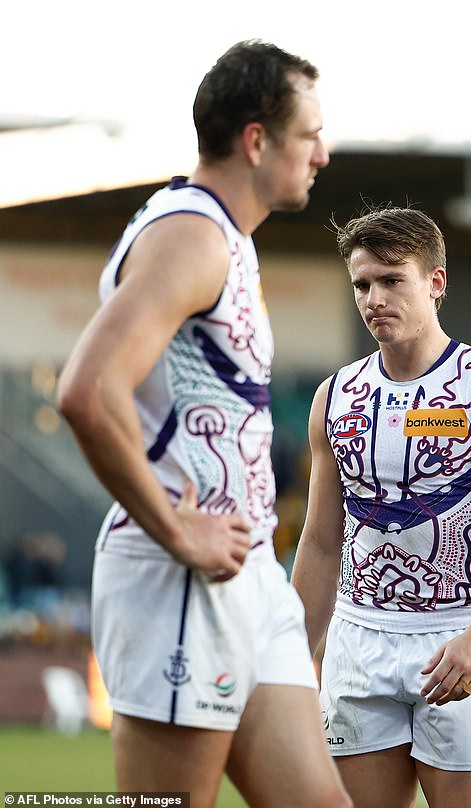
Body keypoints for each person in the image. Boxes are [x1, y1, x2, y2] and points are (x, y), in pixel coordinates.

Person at [57, 39, 351, 808]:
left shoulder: (224, 236)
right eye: (309, 133)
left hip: (245, 576)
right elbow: (87, 391)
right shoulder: (192, 237)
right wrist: (177, 530)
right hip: (180, 575)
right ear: (257, 139)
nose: (323, 152)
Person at [291, 205, 471, 808]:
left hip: (457, 639)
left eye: (391, 280)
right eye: (362, 284)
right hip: (357, 644)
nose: (374, 298)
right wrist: (288, 657)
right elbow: (322, 542)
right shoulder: (334, 396)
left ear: (435, 282)